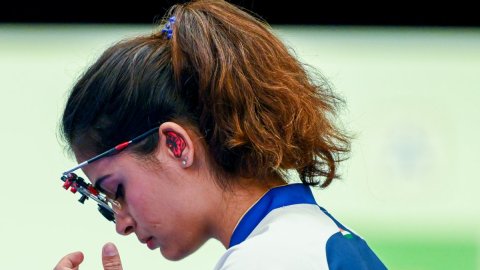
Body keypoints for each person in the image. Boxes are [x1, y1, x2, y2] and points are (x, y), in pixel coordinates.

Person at [54, 0, 387, 269]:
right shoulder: (314, 239)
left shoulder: (269, 259)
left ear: (175, 144)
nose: (121, 224)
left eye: (118, 190)